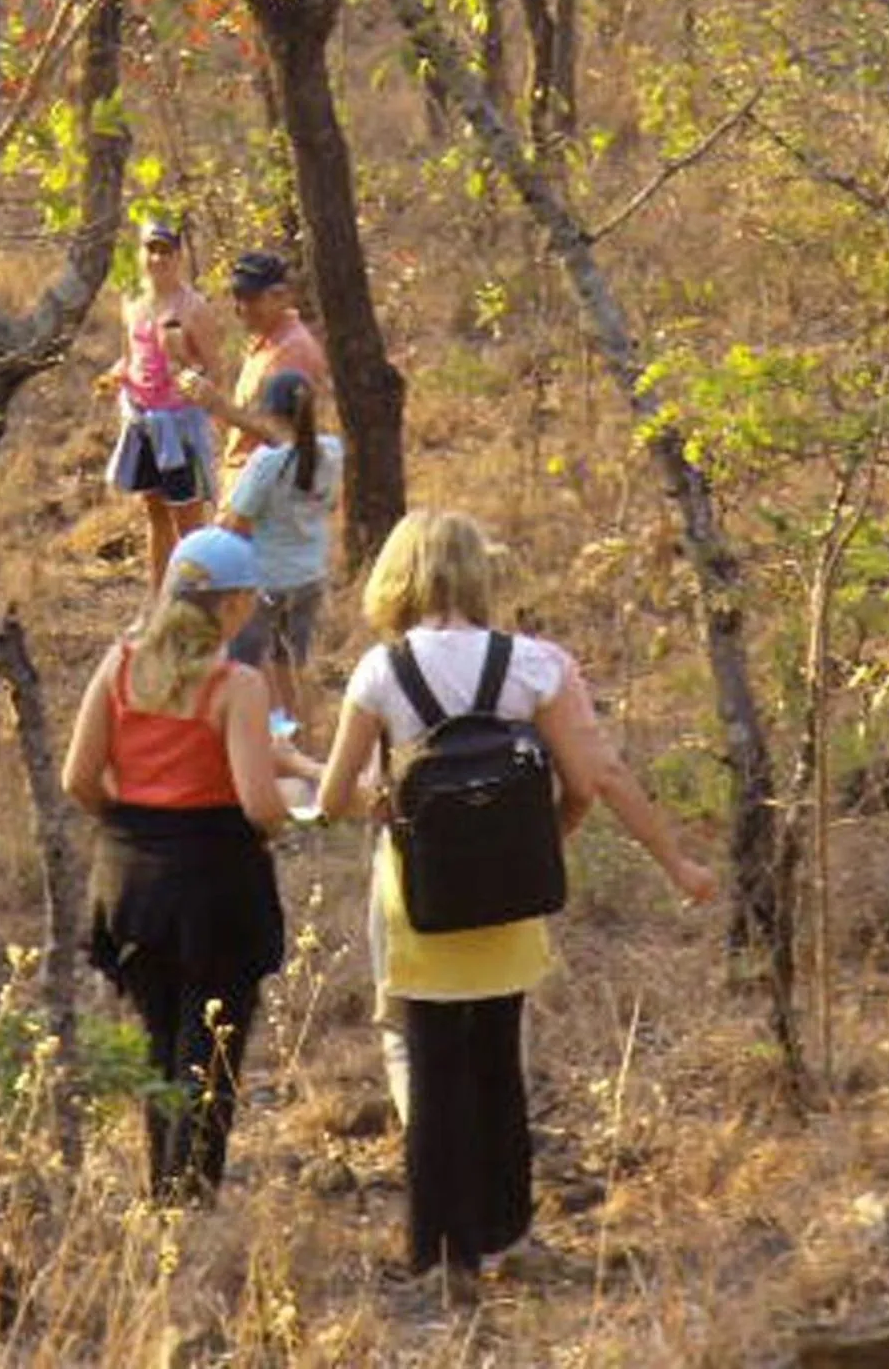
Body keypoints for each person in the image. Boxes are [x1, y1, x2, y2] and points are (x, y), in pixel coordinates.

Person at [312, 509, 716, 1296]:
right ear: (478, 574)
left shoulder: (381, 671)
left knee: (430, 1069)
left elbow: (334, 797)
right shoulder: (532, 664)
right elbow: (585, 783)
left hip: (419, 897)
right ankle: (508, 1232)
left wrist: (387, 802)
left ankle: (440, 1254)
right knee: (498, 1062)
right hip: (509, 897)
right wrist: (540, 845)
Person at [61, 525, 288, 1203]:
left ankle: (160, 1186)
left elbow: (79, 777)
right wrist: (291, 811)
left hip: (129, 876)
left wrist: (133, 824)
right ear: (233, 605)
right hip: (216, 881)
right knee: (209, 1049)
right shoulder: (235, 685)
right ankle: (190, 1195)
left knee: (160, 1041)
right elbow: (258, 804)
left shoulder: (120, 665)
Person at [96, 219, 224, 590]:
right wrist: (112, 378)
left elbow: (214, 368)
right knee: (155, 513)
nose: (158, 258)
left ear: (179, 256)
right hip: (142, 422)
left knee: (190, 521)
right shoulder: (133, 301)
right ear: (141, 254)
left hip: (180, 426)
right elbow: (128, 358)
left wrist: (192, 377)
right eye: (151, 249)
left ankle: (200, 603)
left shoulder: (194, 307)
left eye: (166, 250)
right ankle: (159, 600)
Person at [218, 368, 341, 739]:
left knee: (247, 662)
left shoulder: (266, 464)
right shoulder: (333, 452)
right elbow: (331, 503)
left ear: (270, 413)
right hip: (309, 575)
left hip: (265, 577)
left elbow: (235, 524)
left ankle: (257, 737)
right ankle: (294, 729)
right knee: (289, 659)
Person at [182, 249, 330, 499]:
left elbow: (282, 434)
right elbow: (249, 416)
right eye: (237, 297)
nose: (242, 308)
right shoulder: (265, 341)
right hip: (245, 483)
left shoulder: (292, 350)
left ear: (281, 296)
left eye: (251, 298)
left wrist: (218, 405)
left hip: (268, 492)